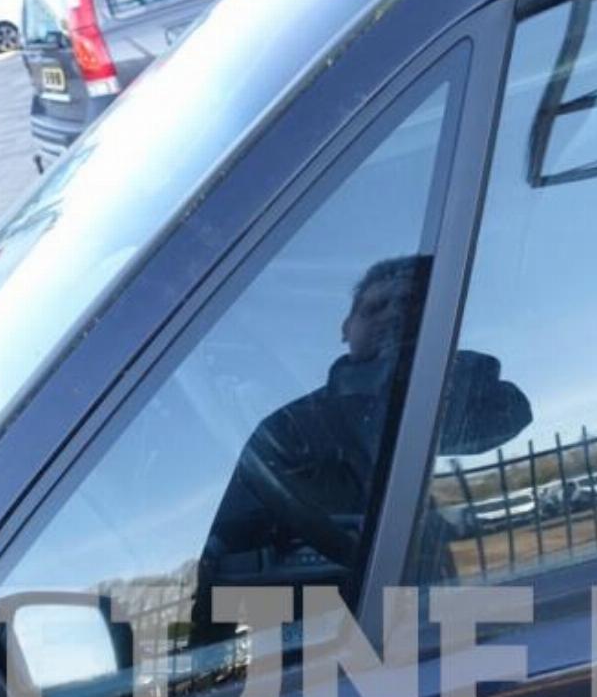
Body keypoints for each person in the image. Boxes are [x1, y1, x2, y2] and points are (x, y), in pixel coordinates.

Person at [190, 256, 532, 647]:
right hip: (312, 650)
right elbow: (222, 553)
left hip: (430, 627)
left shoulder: (433, 397)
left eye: (407, 306)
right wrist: (203, 657)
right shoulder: (288, 427)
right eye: (375, 307)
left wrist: (426, 359)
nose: (391, 315)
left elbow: (511, 414)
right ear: (345, 327)